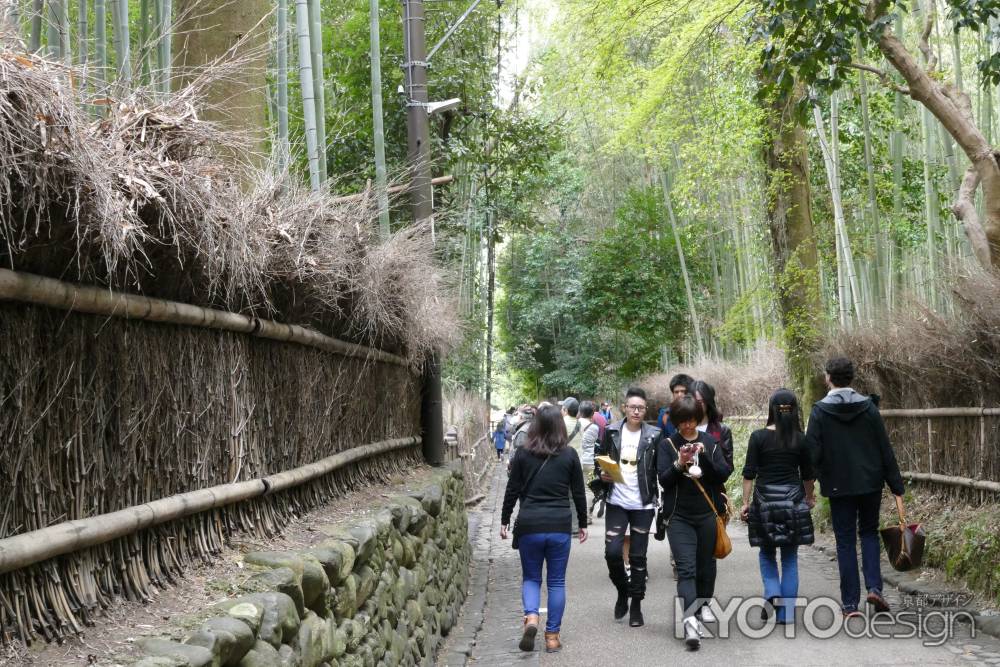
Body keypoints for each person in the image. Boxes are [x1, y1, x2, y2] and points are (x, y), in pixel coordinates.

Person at [807, 356, 905, 617]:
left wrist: (807, 485)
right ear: (852, 378)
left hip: (838, 485)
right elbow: (884, 448)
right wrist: (896, 484)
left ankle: (850, 603)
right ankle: (875, 588)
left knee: (845, 541)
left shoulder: (819, 411)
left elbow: (812, 453)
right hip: (870, 482)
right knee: (869, 533)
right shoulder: (868, 408)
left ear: (828, 377)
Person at [501, 405, 589, 653]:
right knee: (557, 581)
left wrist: (505, 519)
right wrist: (582, 522)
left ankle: (531, 618)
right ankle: (552, 637)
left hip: (530, 524)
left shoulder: (522, 454)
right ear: (560, 427)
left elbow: (513, 490)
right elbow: (579, 493)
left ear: (535, 426)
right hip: (560, 525)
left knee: (531, 577)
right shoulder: (570, 455)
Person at [658, 395, 732, 650]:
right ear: (676, 422)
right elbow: (664, 480)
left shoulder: (709, 442)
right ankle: (690, 620)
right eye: (683, 422)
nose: (688, 426)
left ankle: (701, 607)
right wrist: (680, 463)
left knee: (706, 567)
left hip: (707, 514)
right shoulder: (667, 444)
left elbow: (724, 473)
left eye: (692, 421)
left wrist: (704, 457)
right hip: (678, 516)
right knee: (686, 568)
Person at [740, 389, 816, 625]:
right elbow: (808, 475)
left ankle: (772, 591)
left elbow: (749, 474)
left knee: (767, 551)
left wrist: (745, 503)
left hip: (764, 502)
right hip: (793, 501)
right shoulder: (800, 439)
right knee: (790, 557)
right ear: (794, 411)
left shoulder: (758, 437)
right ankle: (787, 613)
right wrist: (809, 497)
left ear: (771, 410)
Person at [594, 387, 661, 628]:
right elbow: (598, 459)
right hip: (616, 501)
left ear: (645, 410)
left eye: (640, 408)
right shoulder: (611, 431)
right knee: (612, 553)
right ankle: (623, 591)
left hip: (643, 504)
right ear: (624, 407)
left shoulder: (655, 435)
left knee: (638, 557)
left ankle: (636, 605)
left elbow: (659, 469)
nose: (636, 411)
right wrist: (602, 474)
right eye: (632, 407)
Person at [691, 380, 734, 474]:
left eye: (700, 402)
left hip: (712, 485)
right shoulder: (682, 428)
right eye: (693, 402)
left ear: (707, 402)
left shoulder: (721, 430)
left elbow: (728, 467)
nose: (696, 406)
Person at [578, 401, 601, 515]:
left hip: (576, 461)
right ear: (592, 414)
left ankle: (577, 516)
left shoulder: (575, 424)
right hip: (590, 462)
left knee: (576, 489)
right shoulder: (594, 428)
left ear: (580, 412)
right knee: (588, 489)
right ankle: (587, 516)